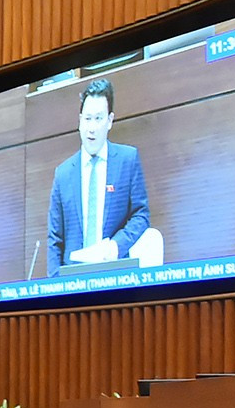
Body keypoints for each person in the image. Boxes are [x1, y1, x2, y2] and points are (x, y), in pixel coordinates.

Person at [45, 76, 162, 273]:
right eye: (87, 119)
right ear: (80, 121)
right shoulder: (63, 174)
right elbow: (55, 240)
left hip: (115, 274)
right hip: (73, 279)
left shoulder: (127, 160)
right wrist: (56, 284)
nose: (91, 128)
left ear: (109, 121)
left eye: (98, 119)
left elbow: (141, 215)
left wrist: (116, 246)